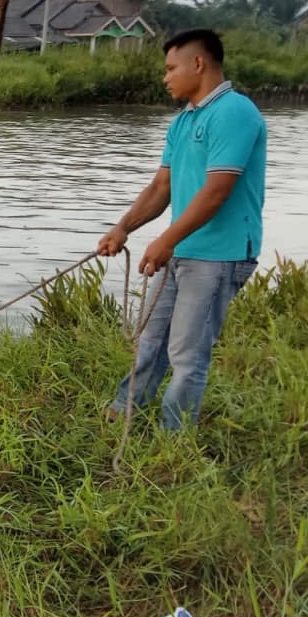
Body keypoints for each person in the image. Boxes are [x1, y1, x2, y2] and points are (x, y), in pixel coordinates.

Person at [98, 27, 266, 430]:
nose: (165, 76)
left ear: (198, 63)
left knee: (188, 354)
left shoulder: (235, 112)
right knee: (151, 338)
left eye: (171, 68)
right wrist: (123, 227)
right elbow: (161, 187)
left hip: (219, 255)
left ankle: (174, 439)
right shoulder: (183, 122)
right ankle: (126, 409)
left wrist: (165, 241)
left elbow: (217, 192)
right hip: (183, 248)